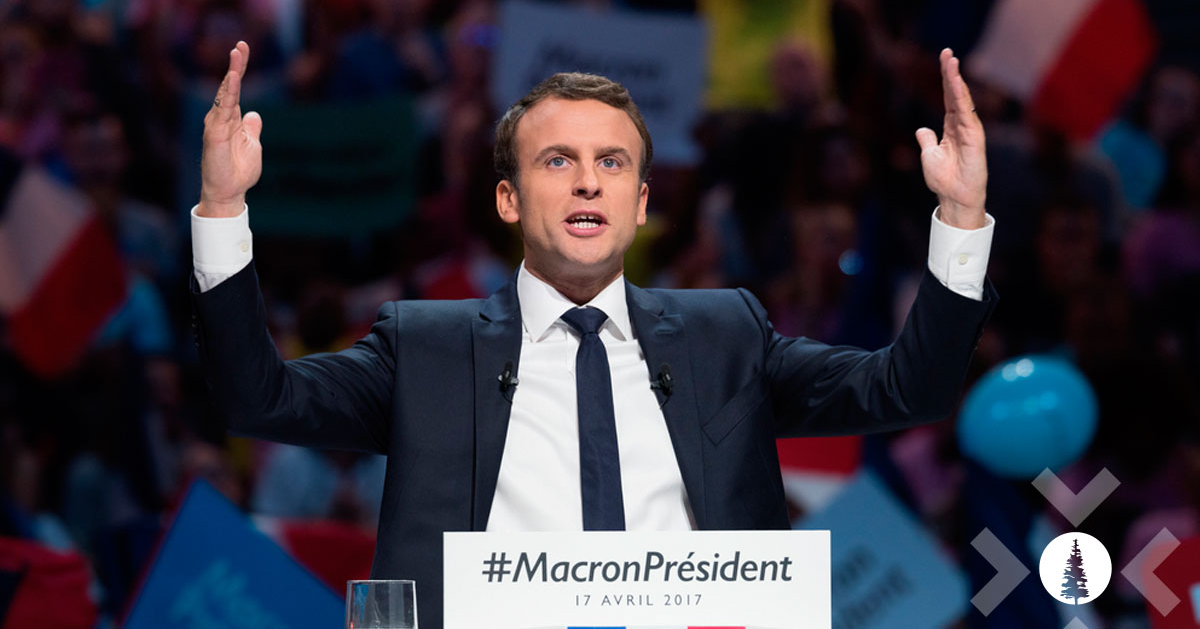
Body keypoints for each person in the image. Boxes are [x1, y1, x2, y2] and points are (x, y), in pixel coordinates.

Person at [191, 42, 996, 628]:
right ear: (508, 200)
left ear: (641, 204)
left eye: (612, 163)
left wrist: (960, 220)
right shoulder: (425, 347)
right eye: (557, 161)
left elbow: (907, 389)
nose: (587, 181)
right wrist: (224, 213)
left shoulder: (726, 335)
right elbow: (260, 399)